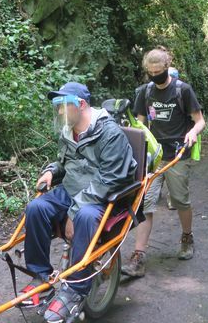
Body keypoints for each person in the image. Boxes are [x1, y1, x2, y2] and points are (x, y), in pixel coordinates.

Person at [20, 82, 137, 323]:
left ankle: (76, 288)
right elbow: (64, 163)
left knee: (83, 216)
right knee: (36, 208)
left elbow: (111, 179)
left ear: (81, 104)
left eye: (63, 106)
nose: (60, 112)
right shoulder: (69, 131)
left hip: (102, 193)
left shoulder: (109, 133)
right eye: (57, 107)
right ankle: (41, 276)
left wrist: (74, 211)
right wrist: (52, 171)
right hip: (72, 188)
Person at [121, 48, 206, 277]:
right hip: (154, 157)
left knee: (180, 200)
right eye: (151, 72)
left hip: (178, 154)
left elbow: (199, 121)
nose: (155, 75)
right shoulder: (145, 92)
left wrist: (193, 133)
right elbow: (139, 126)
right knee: (146, 203)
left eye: (158, 71)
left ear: (167, 66)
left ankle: (187, 237)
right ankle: (138, 256)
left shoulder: (182, 90)